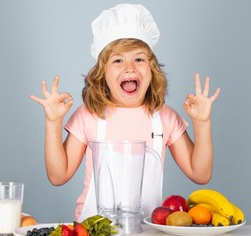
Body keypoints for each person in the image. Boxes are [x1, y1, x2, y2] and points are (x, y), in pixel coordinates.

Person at [30, 4, 220, 222]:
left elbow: (201, 174)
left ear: (152, 71)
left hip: (148, 235)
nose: (130, 67)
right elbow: (57, 175)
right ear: (102, 74)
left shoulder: (164, 118)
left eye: (139, 59)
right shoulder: (89, 115)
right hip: (93, 233)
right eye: (118, 60)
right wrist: (53, 122)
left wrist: (202, 123)